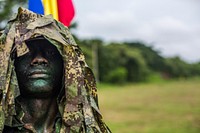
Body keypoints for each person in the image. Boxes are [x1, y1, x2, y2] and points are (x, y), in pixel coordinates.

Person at [0, 7, 111, 133]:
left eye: (50, 52)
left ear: (67, 66)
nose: (39, 59)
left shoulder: (86, 129)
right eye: (27, 51)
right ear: (11, 64)